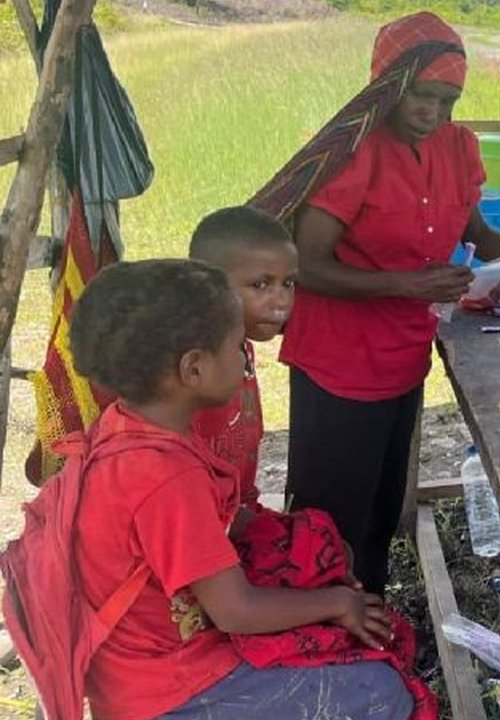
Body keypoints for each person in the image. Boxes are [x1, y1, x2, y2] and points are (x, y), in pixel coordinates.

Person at [248, 11, 500, 596]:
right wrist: (405, 285)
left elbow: (480, 235)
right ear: (387, 85)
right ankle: (319, 627)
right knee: (329, 514)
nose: (433, 113)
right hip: (338, 361)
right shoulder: (356, 152)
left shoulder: (457, 147)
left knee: (381, 505)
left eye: (448, 100)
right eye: (422, 96)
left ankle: (369, 606)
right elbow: (303, 264)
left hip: (403, 353)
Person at [68, 259, 412, 720]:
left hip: (149, 659)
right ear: (193, 370)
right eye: (237, 348)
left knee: (316, 549)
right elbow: (236, 611)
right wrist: (337, 603)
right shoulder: (164, 477)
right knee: (382, 691)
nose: (244, 359)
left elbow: (222, 522)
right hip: (166, 691)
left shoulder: (132, 426)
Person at [188, 205, 298, 528]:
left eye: (288, 283)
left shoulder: (240, 348)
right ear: (207, 283)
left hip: (234, 515)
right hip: (200, 533)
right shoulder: (194, 371)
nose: (281, 301)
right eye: (261, 285)